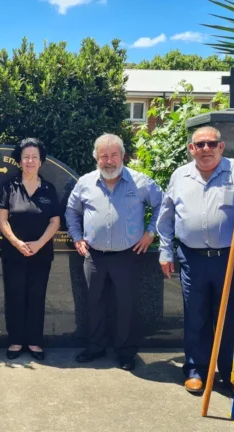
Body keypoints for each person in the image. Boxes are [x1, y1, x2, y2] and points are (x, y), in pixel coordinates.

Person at [156, 126, 234, 394]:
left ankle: (229, 372)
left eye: (211, 144)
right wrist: (165, 251)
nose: (205, 149)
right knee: (195, 315)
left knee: (229, 316)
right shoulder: (180, 176)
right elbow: (166, 218)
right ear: (191, 149)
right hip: (192, 259)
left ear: (222, 147)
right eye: (199, 145)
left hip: (230, 257)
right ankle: (196, 370)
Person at [65, 133, 163, 370]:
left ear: (122, 156)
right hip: (94, 256)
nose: (108, 161)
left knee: (126, 304)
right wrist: (77, 237)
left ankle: (126, 352)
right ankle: (95, 347)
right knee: (93, 303)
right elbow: (71, 211)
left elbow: (163, 205)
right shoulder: (85, 182)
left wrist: (151, 233)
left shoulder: (140, 182)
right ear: (96, 158)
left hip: (127, 255)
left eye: (113, 155)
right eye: (103, 156)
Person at [0, 138, 61, 361]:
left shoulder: (48, 188)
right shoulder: (9, 186)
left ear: (41, 161)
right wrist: (17, 243)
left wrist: (39, 244)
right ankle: (15, 341)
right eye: (26, 157)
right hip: (14, 252)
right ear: (20, 161)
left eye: (35, 157)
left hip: (41, 253)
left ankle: (34, 341)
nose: (30, 161)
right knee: (14, 295)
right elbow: (2, 219)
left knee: (36, 296)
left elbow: (55, 221)